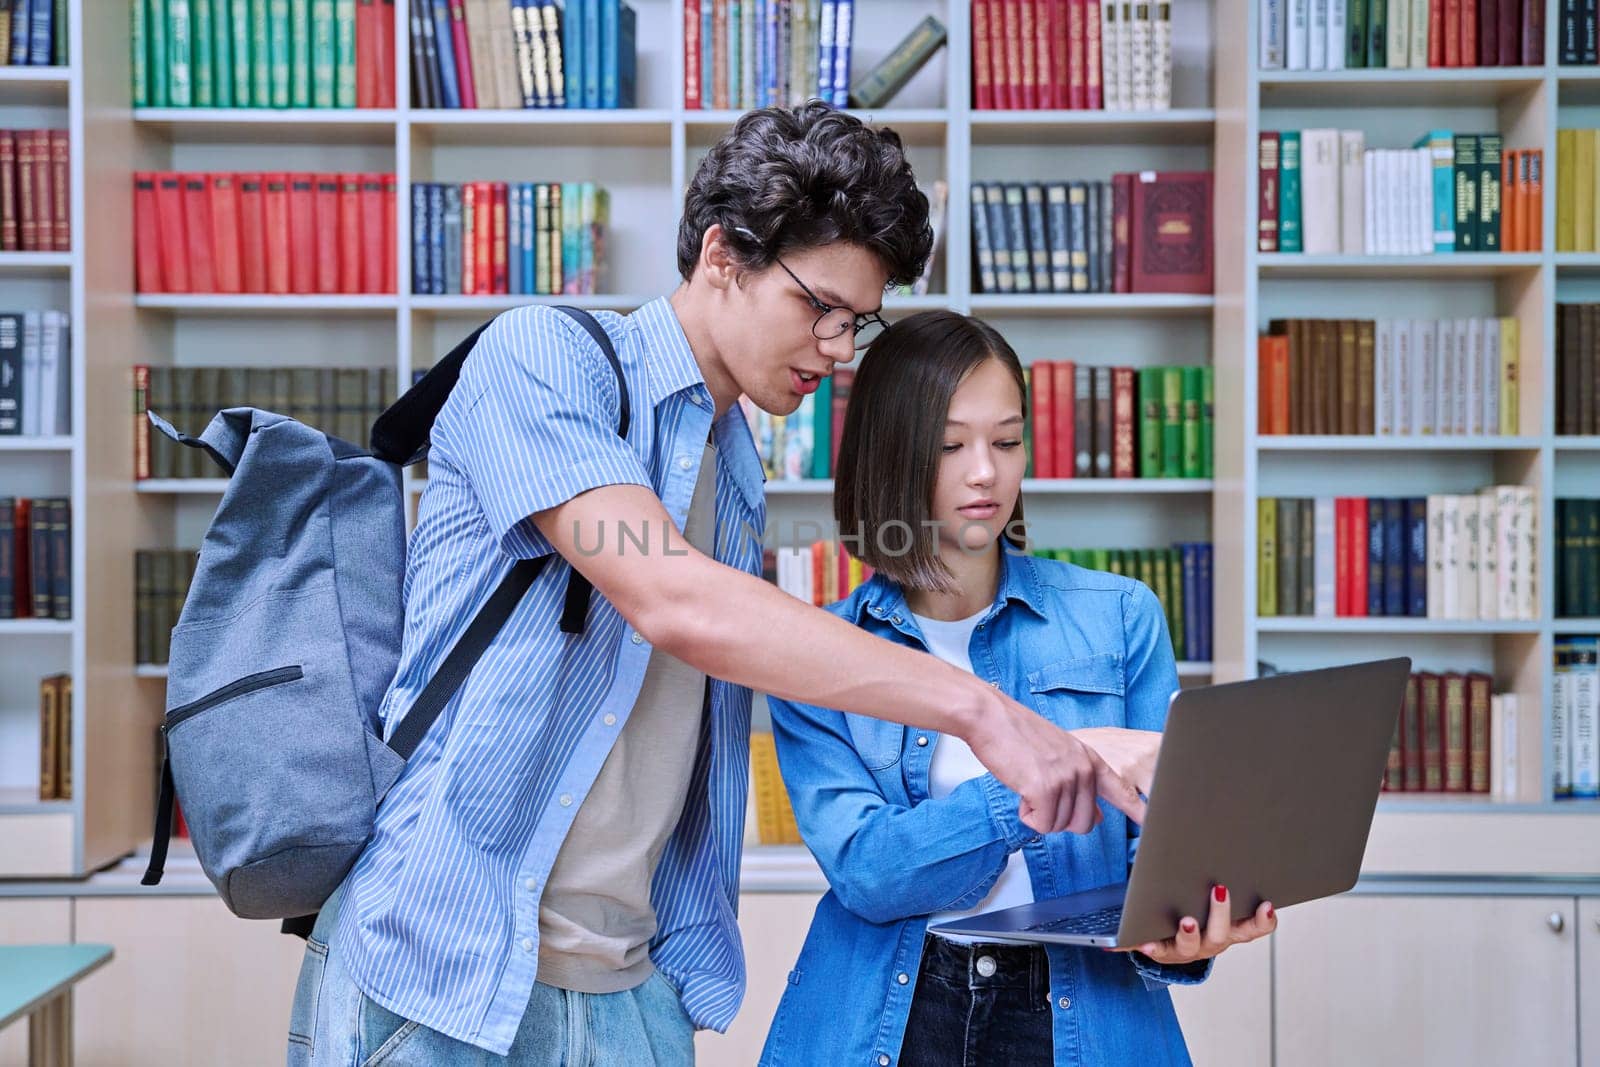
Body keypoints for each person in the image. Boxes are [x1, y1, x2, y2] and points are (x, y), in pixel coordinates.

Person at [287, 104, 1149, 1065]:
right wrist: (985, 714)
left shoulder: (733, 464)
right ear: (722, 256)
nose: (834, 349)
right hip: (443, 968)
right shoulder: (543, 358)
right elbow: (675, 600)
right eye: (818, 306)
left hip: (632, 989)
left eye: (857, 324)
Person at [760, 310, 1278, 1067]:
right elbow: (869, 871)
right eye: (950, 445)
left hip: (1083, 1018)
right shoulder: (822, 653)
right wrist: (1046, 773)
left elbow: (1158, 861)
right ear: (890, 454)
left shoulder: (1120, 616)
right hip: (887, 1021)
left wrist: (1181, 935)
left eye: (1006, 441)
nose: (985, 472)